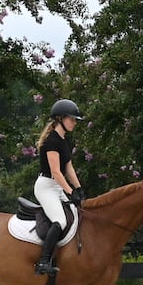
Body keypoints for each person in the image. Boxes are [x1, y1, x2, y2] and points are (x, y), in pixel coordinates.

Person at [33, 99, 85, 276]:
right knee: (60, 221)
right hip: (46, 187)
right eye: (72, 119)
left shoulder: (64, 141)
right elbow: (56, 172)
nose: (75, 122)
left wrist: (79, 189)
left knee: (78, 213)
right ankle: (43, 262)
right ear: (60, 118)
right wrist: (70, 192)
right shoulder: (52, 141)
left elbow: (68, 168)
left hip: (57, 186)